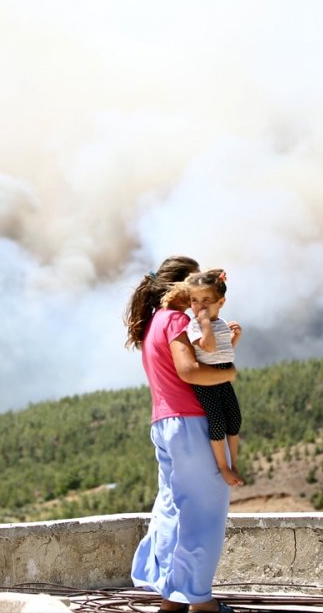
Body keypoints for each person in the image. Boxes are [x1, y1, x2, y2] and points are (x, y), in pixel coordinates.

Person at [124, 255, 239, 613]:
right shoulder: (175, 320)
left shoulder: (152, 323)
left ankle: (171, 597)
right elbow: (190, 372)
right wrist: (229, 374)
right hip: (191, 424)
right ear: (180, 287)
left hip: (164, 424)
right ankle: (200, 602)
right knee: (203, 513)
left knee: (173, 508)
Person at [184, 269, 244, 487]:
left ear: (221, 302)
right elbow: (208, 347)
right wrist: (205, 322)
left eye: (206, 300)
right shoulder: (194, 326)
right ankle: (223, 466)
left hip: (223, 374)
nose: (199, 306)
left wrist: (233, 338)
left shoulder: (221, 323)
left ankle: (233, 462)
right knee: (217, 421)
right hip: (206, 381)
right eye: (194, 300)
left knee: (234, 419)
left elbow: (223, 351)